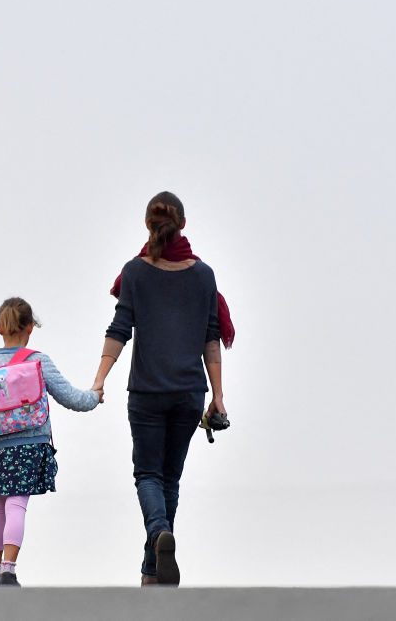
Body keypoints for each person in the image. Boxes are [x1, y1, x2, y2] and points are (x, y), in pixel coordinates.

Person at [92, 191, 234, 587]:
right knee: (169, 478)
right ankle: (151, 571)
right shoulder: (204, 275)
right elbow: (212, 338)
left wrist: (100, 380)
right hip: (190, 392)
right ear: (182, 225)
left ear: (147, 225)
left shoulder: (134, 273)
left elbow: (120, 329)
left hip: (147, 393)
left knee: (148, 476)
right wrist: (218, 395)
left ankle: (157, 537)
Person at [0, 297, 101, 587]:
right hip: (27, 442)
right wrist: (95, 396)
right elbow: (72, 398)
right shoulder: (37, 361)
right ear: (30, 328)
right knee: (17, 504)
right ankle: (9, 569)